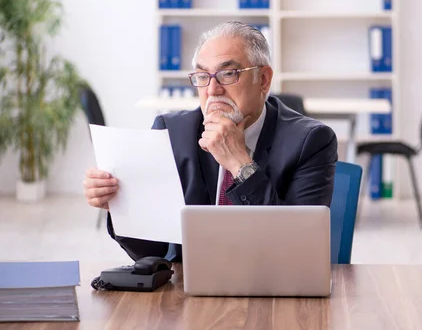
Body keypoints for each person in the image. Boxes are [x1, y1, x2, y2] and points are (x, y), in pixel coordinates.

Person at [83, 21, 338, 261]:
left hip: (273, 291)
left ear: (263, 79)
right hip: (192, 291)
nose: (213, 90)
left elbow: (296, 250)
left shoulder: (311, 141)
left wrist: (240, 165)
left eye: (228, 74)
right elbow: (154, 251)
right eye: (203, 77)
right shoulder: (172, 132)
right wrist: (121, 207)